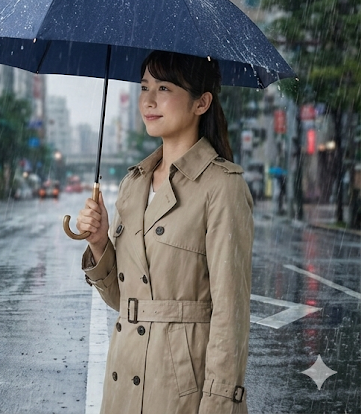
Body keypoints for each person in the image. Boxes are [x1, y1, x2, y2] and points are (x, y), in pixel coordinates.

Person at [77, 51, 253, 413]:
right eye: (144, 87)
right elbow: (125, 302)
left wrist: (218, 404)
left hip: (180, 392)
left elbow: (230, 314)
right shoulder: (133, 184)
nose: (148, 100)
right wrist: (98, 243)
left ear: (201, 102)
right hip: (123, 382)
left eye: (164, 87)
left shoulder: (222, 186)